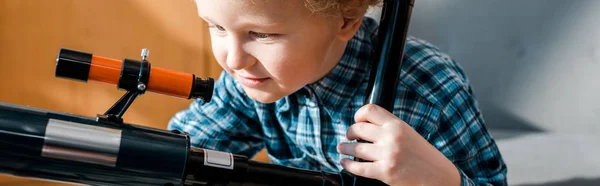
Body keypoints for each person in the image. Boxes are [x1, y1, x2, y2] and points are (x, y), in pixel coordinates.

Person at [168, 0, 507, 185]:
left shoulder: (428, 92)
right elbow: (185, 150)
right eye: (216, 27)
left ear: (345, 19)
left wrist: (441, 182)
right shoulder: (252, 79)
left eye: (262, 34)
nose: (232, 58)